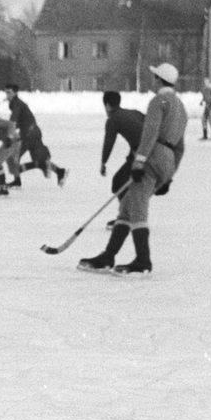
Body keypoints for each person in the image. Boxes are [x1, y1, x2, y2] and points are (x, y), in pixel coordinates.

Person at [79, 63, 186, 276]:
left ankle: (143, 260)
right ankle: (108, 255)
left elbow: (150, 133)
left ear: (158, 80)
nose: (153, 80)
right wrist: (170, 175)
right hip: (168, 160)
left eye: (154, 77)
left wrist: (139, 162)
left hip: (152, 157)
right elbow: (181, 145)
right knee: (127, 206)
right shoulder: (180, 107)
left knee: (137, 206)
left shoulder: (158, 101)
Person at [4, 83, 67, 188]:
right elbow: (20, 121)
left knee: (13, 158)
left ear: (15, 93)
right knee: (39, 160)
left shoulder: (16, 104)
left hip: (28, 134)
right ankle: (60, 171)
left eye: (9, 92)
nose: (7, 95)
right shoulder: (17, 103)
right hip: (34, 132)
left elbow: (13, 120)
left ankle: (17, 181)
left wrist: (10, 136)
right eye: (6, 92)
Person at [98, 91, 145, 229]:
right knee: (119, 181)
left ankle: (127, 218)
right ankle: (127, 216)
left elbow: (109, 141)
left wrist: (103, 162)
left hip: (142, 153)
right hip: (144, 151)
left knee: (120, 183)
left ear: (107, 105)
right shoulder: (134, 112)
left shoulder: (113, 119)